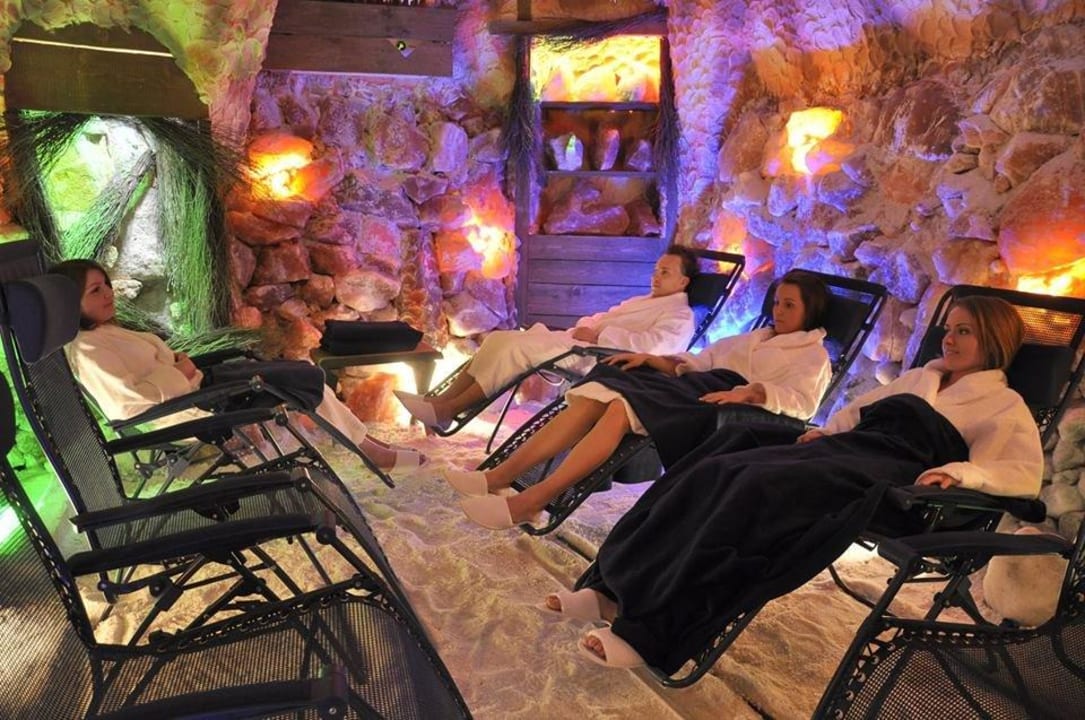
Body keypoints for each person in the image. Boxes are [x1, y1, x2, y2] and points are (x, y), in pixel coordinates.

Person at [544, 296, 1042, 672]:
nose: (949, 340)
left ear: (994, 341)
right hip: (844, 451)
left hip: (892, 477)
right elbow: (857, 413)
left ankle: (651, 632)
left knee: (755, 489)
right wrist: (826, 432)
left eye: (964, 332)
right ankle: (611, 588)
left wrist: (958, 473)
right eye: (948, 330)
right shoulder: (920, 378)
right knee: (714, 466)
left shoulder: (1003, 405)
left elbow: (1020, 471)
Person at [448, 269, 833, 529]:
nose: (778, 311)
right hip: (693, 384)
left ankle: (533, 501)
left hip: (722, 406)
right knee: (597, 393)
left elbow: (803, 403)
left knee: (620, 408)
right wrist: (652, 360)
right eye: (777, 302)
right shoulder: (753, 338)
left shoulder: (813, 356)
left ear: (811, 310)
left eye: (789, 305)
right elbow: (699, 361)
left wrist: (753, 392)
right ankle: (499, 476)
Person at [50, 259, 421, 472]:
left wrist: (179, 367)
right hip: (194, 408)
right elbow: (126, 406)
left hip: (200, 386)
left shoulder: (102, 332)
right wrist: (177, 372)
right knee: (303, 379)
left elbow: (148, 373)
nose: (108, 294)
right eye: (95, 290)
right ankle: (370, 451)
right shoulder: (87, 350)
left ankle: (365, 443)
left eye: (106, 284)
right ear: (70, 302)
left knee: (304, 376)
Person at [393, 244, 700, 430]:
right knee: (499, 340)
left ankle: (448, 410)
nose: (656, 276)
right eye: (656, 270)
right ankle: (440, 402)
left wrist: (600, 334)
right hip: (581, 341)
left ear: (684, 281)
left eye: (665, 272)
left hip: (601, 358)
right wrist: (589, 328)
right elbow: (600, 317)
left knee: (517, 352)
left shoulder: (680, 315)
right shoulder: (641, 301)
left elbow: (654, 348)